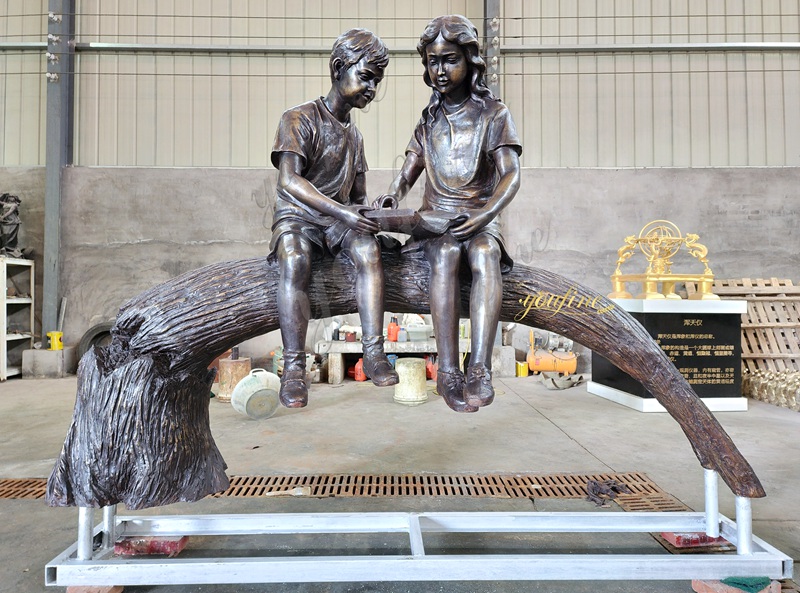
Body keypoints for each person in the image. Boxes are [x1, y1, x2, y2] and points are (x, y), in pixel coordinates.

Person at [378, 15, 522, 413]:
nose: (440, 70)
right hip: (435, 222)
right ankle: (447, 371)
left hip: (477, 218)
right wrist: (393, 195)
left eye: (449, 59)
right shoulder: (429, 120)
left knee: (485, 255)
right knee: (444, 255)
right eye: (432, 61)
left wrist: (488, 214)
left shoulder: (494, 114)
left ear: (470, 60)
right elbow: (409, 168)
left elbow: (511, 175)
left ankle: (479, 366)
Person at [270, 28, 398, 408]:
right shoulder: (298, 118)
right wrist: (343, 211)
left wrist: (377, 215)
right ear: (339, 67)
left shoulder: (355, 139)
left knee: (369, 251)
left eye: (377, 80)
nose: (372, 87)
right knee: (294, 260)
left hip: (338, 224)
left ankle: (373, 352)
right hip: (299, 218)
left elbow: (357, 200)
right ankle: (294, 368)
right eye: (366, 76)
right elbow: (289, 179)